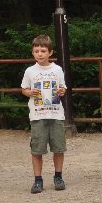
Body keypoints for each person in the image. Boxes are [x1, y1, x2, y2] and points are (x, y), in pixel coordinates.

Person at [21, 35, 68, 193]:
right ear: (32, 52)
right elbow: (24, 89)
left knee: (58, 148)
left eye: (43, 51)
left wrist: (62, 91)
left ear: (50, 52)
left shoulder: (57, 69)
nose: (39, 54)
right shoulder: (30, 71)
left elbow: (63, 87)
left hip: (56, 114)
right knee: (37, 150)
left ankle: (58, 176)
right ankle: (38, 180)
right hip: (37, 115)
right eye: (36, 51)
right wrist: (29, 92)